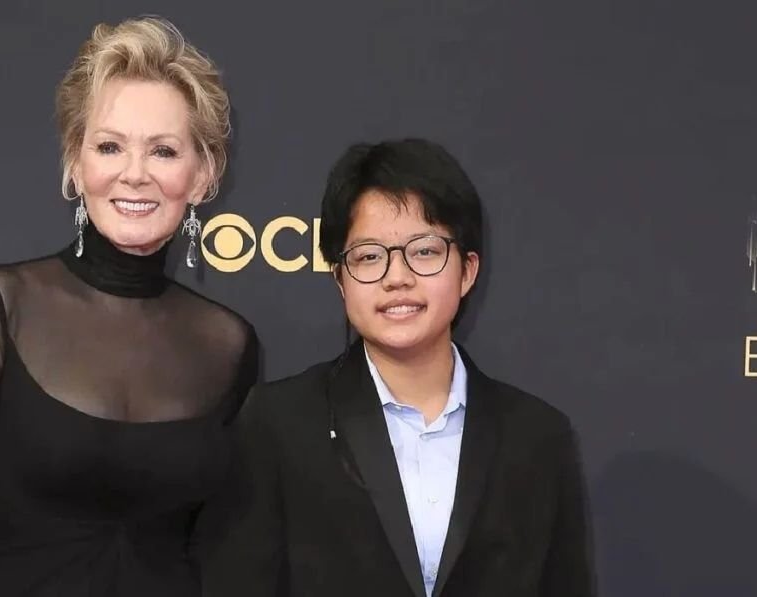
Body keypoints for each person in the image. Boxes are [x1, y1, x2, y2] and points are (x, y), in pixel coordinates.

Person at [0, 16, 258, 597]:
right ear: (74, 163)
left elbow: (227, 549)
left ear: (203, 175)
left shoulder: (229, 344)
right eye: (109, 146)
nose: (133, 174)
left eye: (163, 150)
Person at [200, 138, 596, 597]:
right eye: (369, 256)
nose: (397, 277)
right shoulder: (278, 423)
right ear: (339, 279)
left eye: (424, 251)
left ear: (467, 270)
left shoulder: (538, 438)